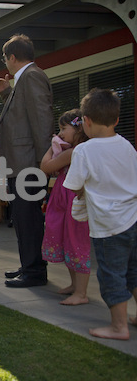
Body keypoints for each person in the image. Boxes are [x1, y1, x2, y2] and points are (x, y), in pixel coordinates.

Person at [64, 88, 137, 340]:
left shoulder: (85, 151)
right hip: (133, 219)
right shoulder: (127, 146)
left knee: (111, 274)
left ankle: (118, 326)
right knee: (134, 270)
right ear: (116, 119)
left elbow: (73, 185)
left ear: (86, 121)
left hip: (108, 226)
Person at [0, 34, 54, 288]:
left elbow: (42, 120)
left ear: (13, 57)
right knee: (22, 218)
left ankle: (34, 272)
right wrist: (7, 93)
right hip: (20, 164)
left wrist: (44, 163)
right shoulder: (22, 80)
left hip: (29, 165)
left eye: (5, 58)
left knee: (28, 220)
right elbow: (21, 116)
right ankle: (28, 265)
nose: (5, 63)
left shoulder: (32, 76)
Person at [40, 109, 91, 305]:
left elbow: (46, 167)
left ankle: (81, 293)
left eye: (63, 129)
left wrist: (52, 147)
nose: (59, 134)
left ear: (79, 129)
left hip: (73, 201)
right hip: (64, 200)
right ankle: (74, 286)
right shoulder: (71, 150)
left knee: (76, 242)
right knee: (68, 241)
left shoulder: (72, 152)